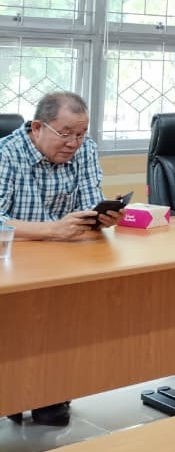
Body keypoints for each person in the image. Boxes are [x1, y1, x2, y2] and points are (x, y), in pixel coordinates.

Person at [0, 91, 122, 427]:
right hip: (14, 261)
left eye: (81, 134)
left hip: (64, 259)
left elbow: (89, 202)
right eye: (65, 133)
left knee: (69, 317)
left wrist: (102, 218)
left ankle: (51, 390)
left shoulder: (85, 150)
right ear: (37, 127)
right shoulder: (6, 154)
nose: (73, 144)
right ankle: (18, 390)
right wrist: (51, 230)